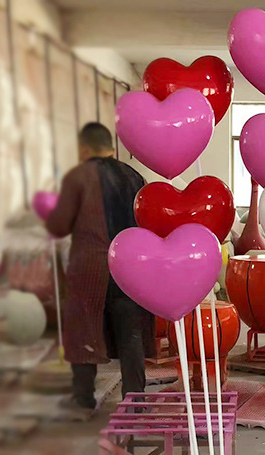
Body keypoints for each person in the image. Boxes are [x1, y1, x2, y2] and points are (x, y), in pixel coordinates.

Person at [46, 122, 155, 412]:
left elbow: (59, 225)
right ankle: (135, 401)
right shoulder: (134, 177)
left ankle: (83, 399)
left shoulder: (77, 177)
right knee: (130, 336)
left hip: (89, 269)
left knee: (84, 333)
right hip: (128, 269)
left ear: (84, 148)